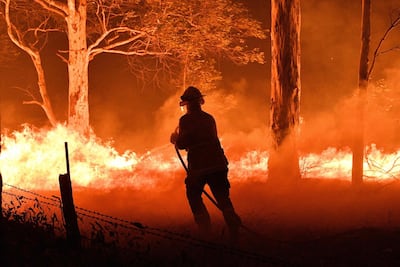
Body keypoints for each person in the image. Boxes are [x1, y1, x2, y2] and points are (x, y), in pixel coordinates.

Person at [170, 86, 242, 242]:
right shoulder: (209, 118)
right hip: (218, 165)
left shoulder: (186, 120)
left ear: (187, 103)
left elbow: (182, 144)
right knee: (223, 199)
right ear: (200, 102)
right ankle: (234, 232)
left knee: (193, 195)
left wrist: (175, 139)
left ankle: (205, 232)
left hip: (199, 167)